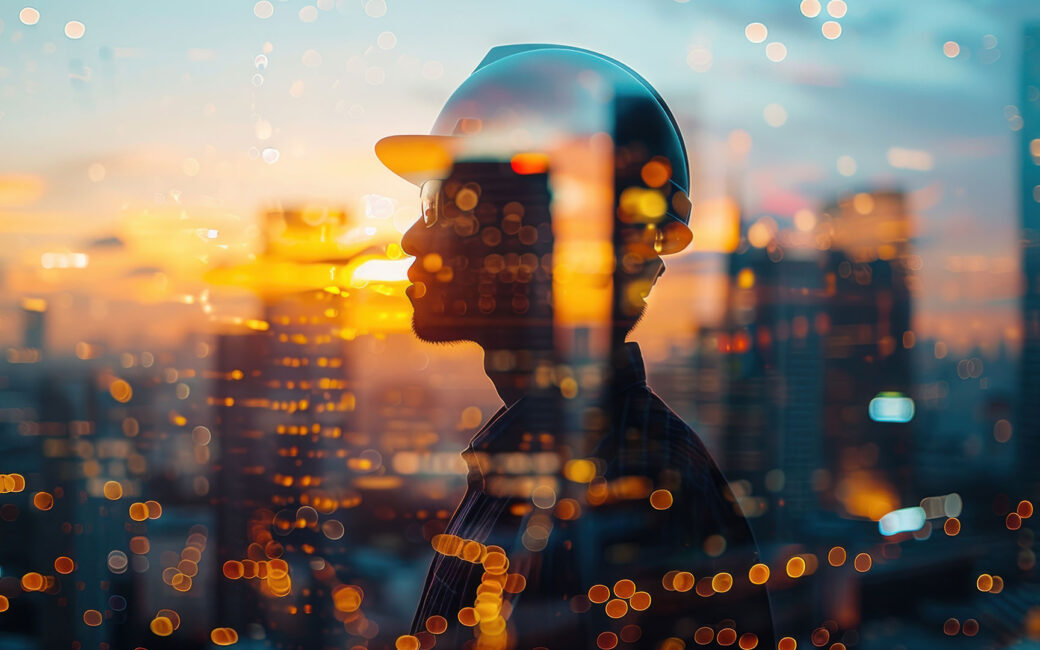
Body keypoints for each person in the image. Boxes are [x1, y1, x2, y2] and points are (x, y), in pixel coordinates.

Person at [376, 44, 774, 650]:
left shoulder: (622, 491)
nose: (410, 236)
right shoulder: (550, 464)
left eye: (440, 203)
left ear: (543, 239)